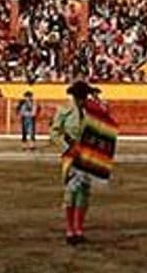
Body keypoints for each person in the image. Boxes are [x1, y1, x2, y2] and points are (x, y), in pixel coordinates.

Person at [50, 80, 117, 246]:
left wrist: (97, 99)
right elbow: (55, 133)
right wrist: (67, 147)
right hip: (71, 155)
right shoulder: (64, 110)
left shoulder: (92, 110)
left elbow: (106, 116)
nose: (82, 99)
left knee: (84, 192)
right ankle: (70, 229)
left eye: (84, 96)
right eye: (80, 96)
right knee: (71, 192)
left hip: (87, 154)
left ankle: (79, 229)